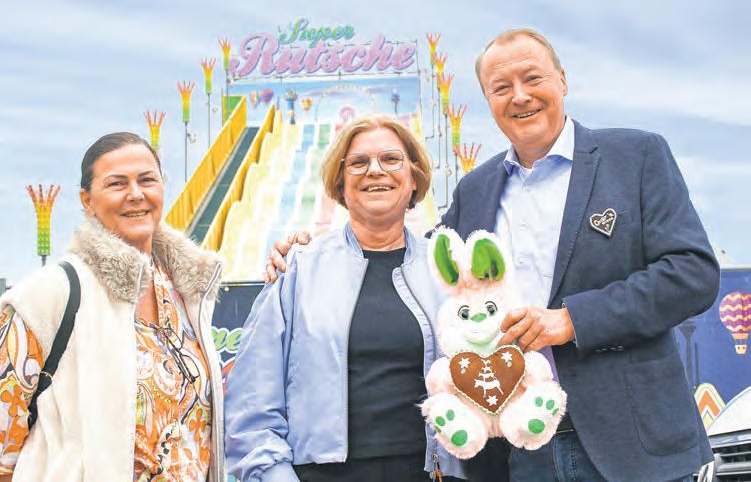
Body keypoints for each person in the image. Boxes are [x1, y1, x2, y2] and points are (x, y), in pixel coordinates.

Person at [267, 29, 720, 482]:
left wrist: (572, 320)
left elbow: (691, 273)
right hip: (519, 451)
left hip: (631, 443)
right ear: (488, 100)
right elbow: (409, 254)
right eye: (501, 87)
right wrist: (311, 249)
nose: (519, 96)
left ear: (562, 80)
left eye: (532, 78)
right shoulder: (476, 190)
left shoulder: (635, 156)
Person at [224, 115, 464, 481]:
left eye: (391, 159)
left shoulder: (449, 271)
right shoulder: (298, 270)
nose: (375, 170)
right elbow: (252, 403)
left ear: (414, 177)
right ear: (340, 183)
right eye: (358, 162)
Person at [0, 133, 226, 481]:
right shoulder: (48, 296)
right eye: (117, 183)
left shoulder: (187, 294)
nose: (135, 194)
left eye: (147, 180)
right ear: (87, 201)